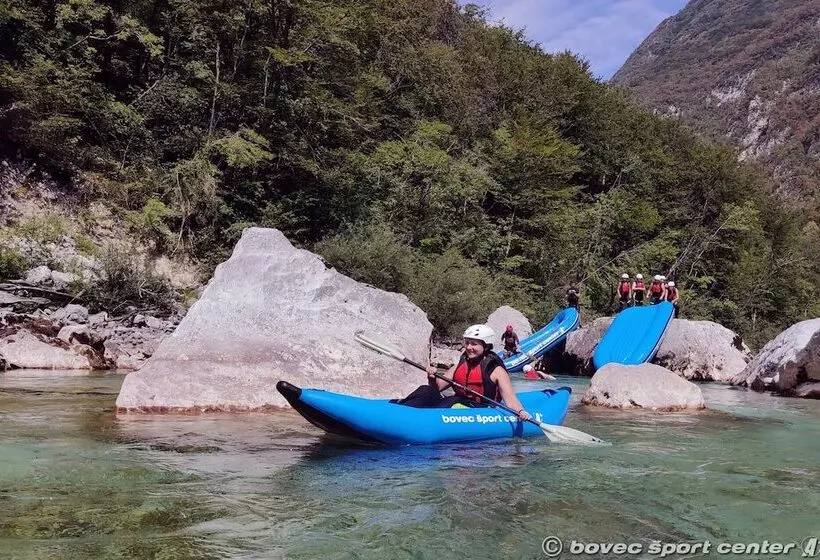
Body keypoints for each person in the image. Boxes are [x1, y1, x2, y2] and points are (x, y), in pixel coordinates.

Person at [397, 324, 531, 420]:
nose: (469, 347)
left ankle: (410, 419)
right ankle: (399, 410)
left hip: (481, 409)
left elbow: (510, 399)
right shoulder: (460, 365)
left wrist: (520, 411)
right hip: (458, 401)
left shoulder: (496, 370)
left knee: (449, 404)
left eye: (474, 344)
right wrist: (431, 377)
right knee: (425, 390)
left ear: (486, 346)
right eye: (467, 343)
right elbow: (436, 389)